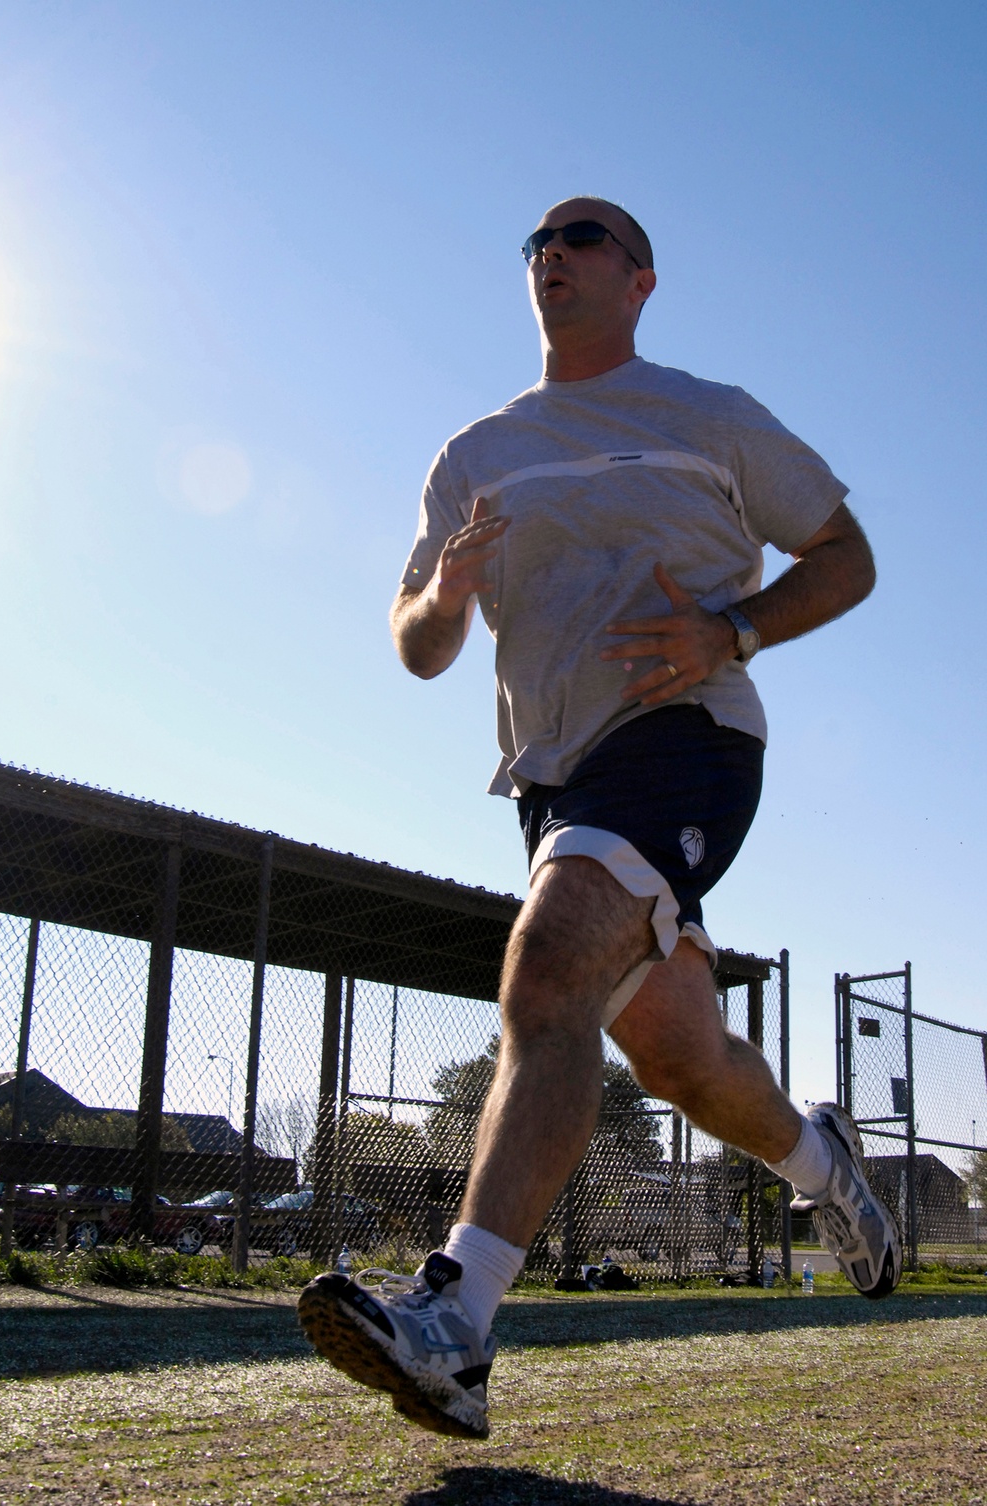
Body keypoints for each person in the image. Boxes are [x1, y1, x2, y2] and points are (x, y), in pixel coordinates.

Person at [298, 196, 902, 1439]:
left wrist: (733, 630)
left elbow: (847, 556)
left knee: (548, 969)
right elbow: (417, 647)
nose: (551, 254)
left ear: (640, 281)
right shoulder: (475, 452)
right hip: (554, 780)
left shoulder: (711, 416)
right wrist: (448, 596)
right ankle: (819, 1165)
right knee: (677, 1056)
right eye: (537, 244)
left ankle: (455, 1322)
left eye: (581, 237)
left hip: (689, 738)